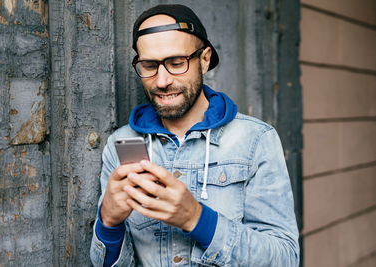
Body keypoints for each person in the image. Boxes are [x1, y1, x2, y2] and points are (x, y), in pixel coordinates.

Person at [90, 4, 299, 267]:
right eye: (149, 65)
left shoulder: (255, 139)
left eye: (177, 63)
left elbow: (285, 258)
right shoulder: (121, 145)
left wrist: (196, 219)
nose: (162, 80)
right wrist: (108, 223)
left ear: (204, 58)